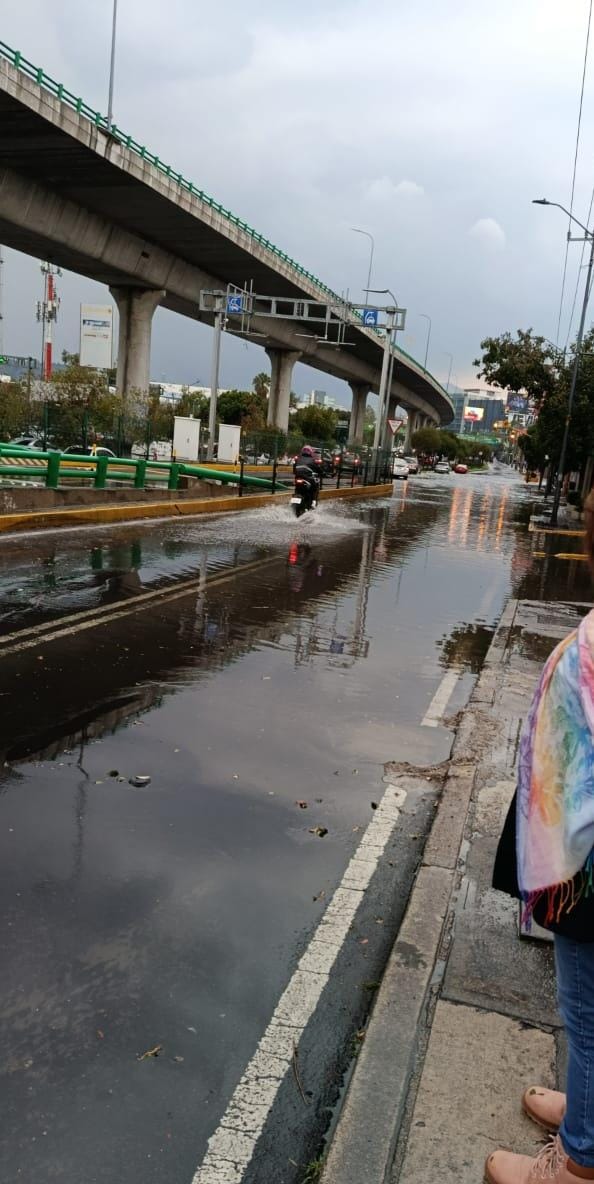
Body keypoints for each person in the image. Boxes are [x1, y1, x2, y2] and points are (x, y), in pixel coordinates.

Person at [488, 490, 594, 1184]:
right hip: (577, 854)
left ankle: (578, 1162)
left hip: (586, 870)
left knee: (586, 1015)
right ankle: (585, 1110)